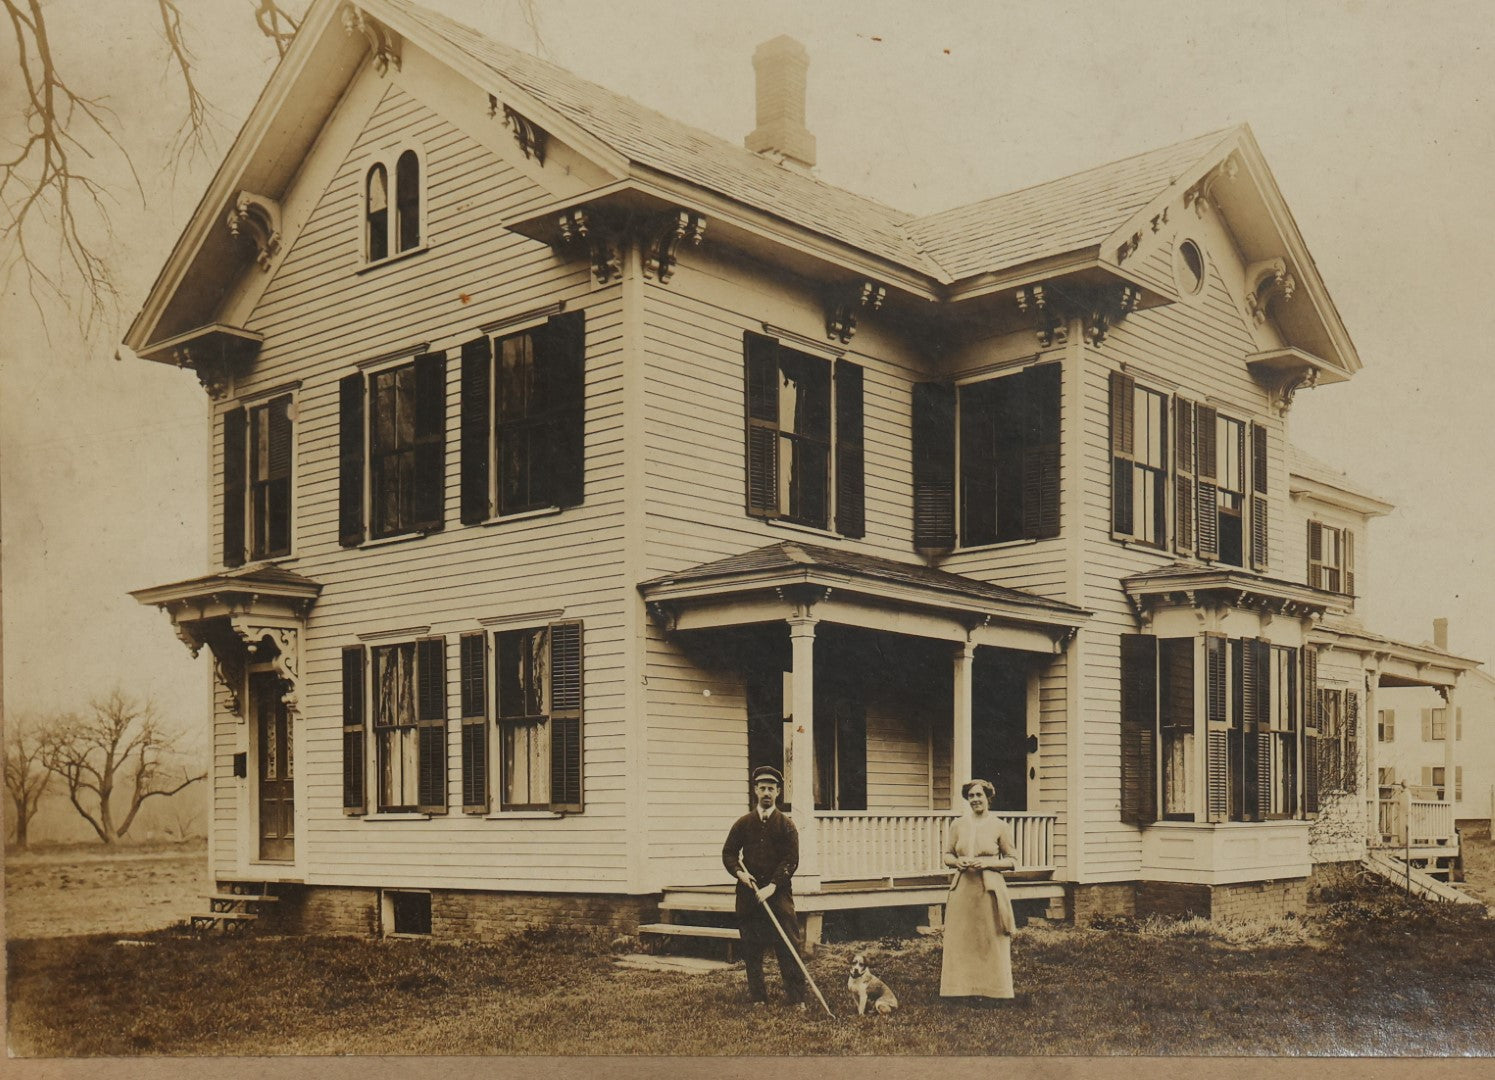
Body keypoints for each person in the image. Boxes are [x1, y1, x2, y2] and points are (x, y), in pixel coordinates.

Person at [721, 765, 806, 1008]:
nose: (766, 792)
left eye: (771, 788)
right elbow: (728, 853)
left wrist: (773, 886)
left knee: (788, 945)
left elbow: (791, 860)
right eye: (762, 788)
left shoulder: (786, 825)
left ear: (778, 792)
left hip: (777, 894)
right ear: (755, 791)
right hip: (749, 894)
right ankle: (758, 997)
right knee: (752, 946)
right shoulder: (743, 823)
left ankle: (796, 998)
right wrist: (740, 874)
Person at [940, 778, 1019, 1002]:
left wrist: (988, 863)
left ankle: (994, 992)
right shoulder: (958, 825)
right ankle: (960, 991)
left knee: (989, 939)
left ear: (988, 798)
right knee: (962, 939)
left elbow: (1012, 860)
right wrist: (957, 863)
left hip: (989, 889)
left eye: (979, 795)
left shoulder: (1000, 826)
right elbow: (947, 855)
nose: (975, 800)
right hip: (963, 887)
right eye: (971, 796)